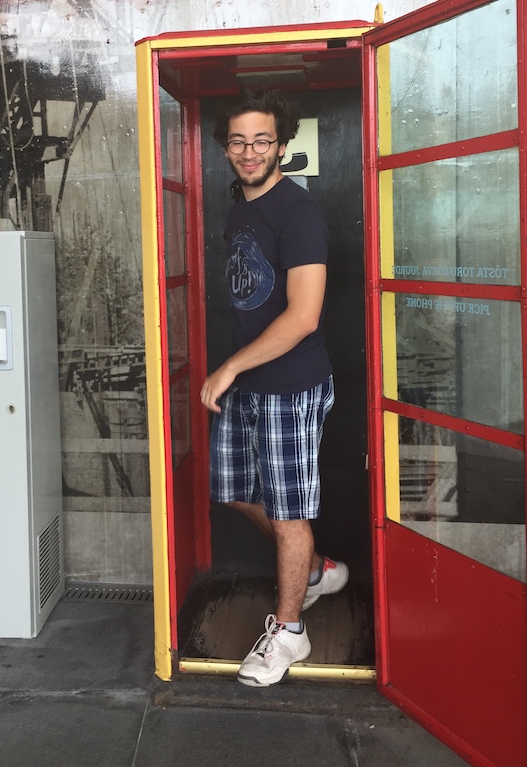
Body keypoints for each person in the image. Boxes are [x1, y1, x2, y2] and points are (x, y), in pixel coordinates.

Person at [200, 87, 348, 688]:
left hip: (289, 383)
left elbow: (304, 315)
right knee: (235, 490)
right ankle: (316, 570)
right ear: (225, 149)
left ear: (282, 145)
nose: (250, 151)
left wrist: (230, 367)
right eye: (238, 141)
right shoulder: (239, 205)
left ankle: (290, 633)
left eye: (262, 140)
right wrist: (238, 371)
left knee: (288, 511)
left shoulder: (298, 212)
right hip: (249, 378)